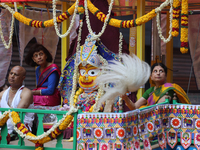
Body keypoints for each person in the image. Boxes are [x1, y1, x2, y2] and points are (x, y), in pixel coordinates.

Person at [122, 62, 191, 110]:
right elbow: (135, 107)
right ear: (151, 77)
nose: (158, 73)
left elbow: (158, 106)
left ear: (166, 75)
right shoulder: (150, 91)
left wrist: (143, 108)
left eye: (161, 71)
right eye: (155, 71)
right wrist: (125, 98)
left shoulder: (169, 89)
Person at [0, 66, 34, 140]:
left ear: (23, 78)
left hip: (21, 131)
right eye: (11, 73)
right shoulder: (2, 94)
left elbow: (16, 113)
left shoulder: (26, 93)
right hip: (3, 129)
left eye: (16, 74)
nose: (12, 76)